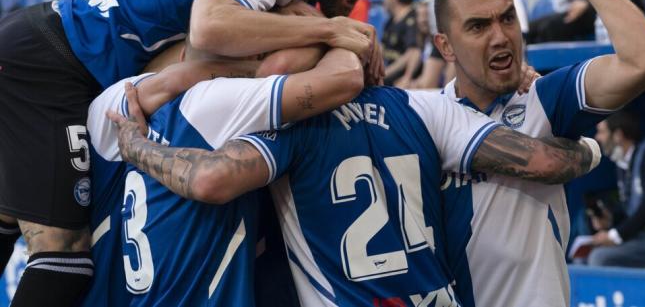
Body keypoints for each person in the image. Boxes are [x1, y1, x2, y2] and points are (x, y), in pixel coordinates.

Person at [0, 0, 395, 307]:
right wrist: (330, 31)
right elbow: (209, 28)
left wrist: (323, 27)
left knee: (7, 221)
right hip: (48, 63)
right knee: (63, 253)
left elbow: (191, 51)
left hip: (45, 49)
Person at [107, 70, 601, 307]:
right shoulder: (420, 105)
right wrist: (594, 153)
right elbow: (545, 161)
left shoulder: (289, 124)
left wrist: (133, 145)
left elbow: (209, 178)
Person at [432, 0, 645, 307]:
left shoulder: (544, 98)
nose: (500, 36)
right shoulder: (426, 119)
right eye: (478, 26)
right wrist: (587, 152)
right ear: (445, 47)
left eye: (508, 19)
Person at [83, 42, 365, 306]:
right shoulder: (212, 103)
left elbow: (168, 81)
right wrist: (337, 38)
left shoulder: (113, 105)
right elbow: (340, 79)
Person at [588, 111, 645, 268]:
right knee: (582, 258)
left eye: (602, 131)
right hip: (642, 238)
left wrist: (616, 235)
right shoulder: (623, 162)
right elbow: (632, 209)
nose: (597, 137)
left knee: (599, 259)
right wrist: (610, 218)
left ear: (618, 135)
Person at [381, 0, 421, 87]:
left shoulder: (413, 20)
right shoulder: (390, 21)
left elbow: (413, 52)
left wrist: (384, 74)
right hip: (388, 78)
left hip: (403, 82)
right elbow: (382, 48)